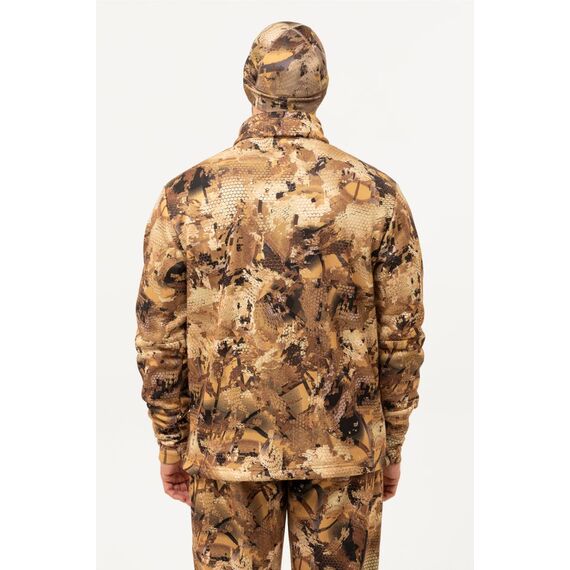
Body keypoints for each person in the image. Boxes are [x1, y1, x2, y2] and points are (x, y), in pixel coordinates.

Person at [135, 21, 425, 570]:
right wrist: (391, 442)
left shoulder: (188, 195)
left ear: (249, 84)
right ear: (322, 89)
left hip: (227, 450)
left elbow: (159, 334)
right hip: (345, 450)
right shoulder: (377, 195)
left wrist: (171, 442)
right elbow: (402, 337)